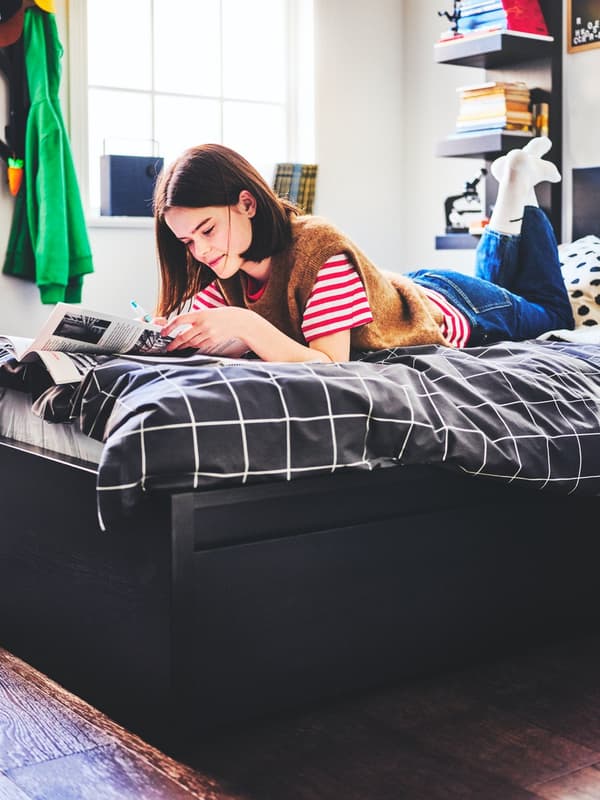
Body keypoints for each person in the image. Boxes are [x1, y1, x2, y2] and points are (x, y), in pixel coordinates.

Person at [153, 137, 574, 363]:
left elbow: (329, 363)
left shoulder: (318, 248)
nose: (201, 250)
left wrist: (244, 325)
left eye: (207, 229)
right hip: (412, 289)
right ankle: (514, 181)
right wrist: (165, 334)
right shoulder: (228, 270)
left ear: (247, 204)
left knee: (551, 314)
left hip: (457, 308)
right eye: (187, 241)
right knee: (504, 290)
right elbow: (209, 332)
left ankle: (521, 185)